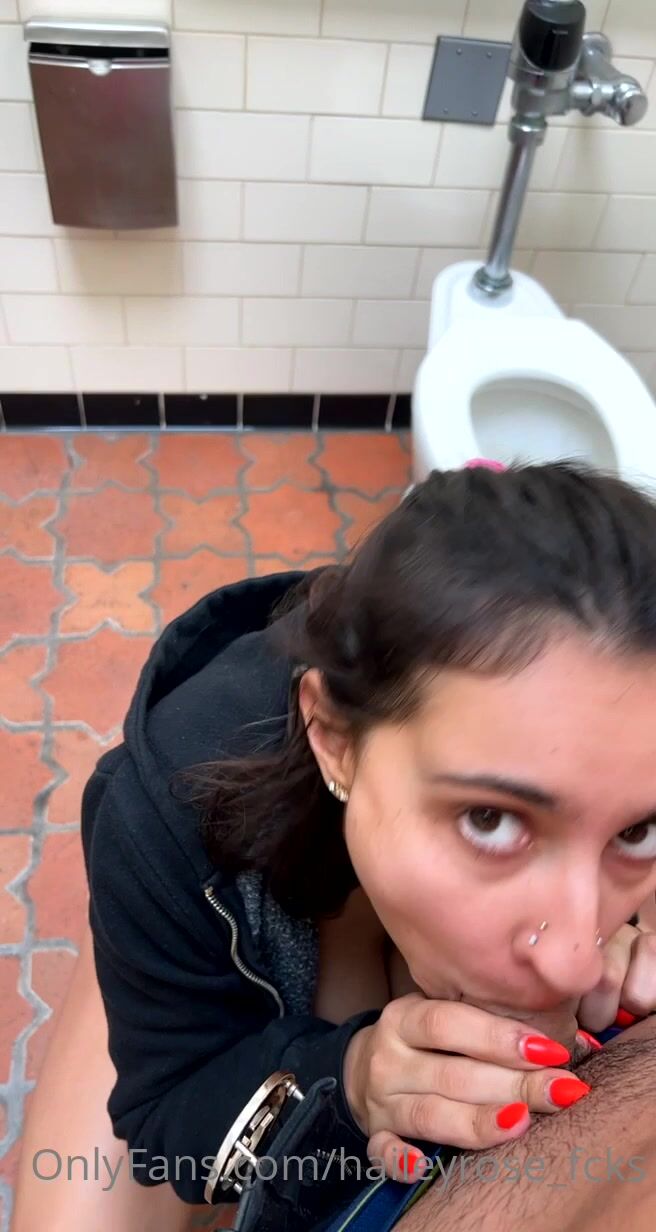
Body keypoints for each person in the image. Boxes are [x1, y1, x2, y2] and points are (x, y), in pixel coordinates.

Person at [10, 460, 656, 1232]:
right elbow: (165, 1118)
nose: (574, 961)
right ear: (335, 738)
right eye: (490, 819)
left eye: (635, 831)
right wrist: (349, 1083)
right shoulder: (162, 821)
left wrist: (633, 927)